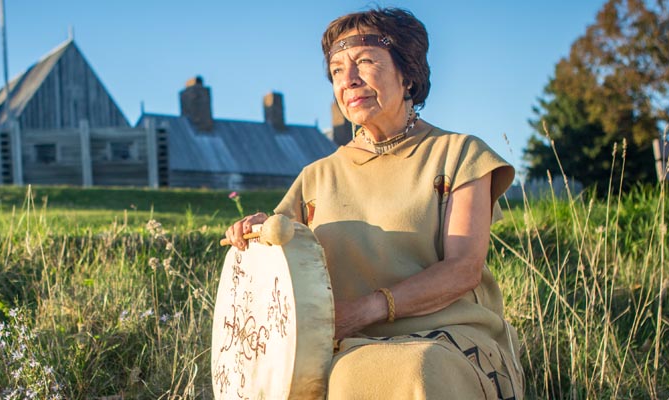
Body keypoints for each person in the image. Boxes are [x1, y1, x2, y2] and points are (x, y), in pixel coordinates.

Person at [223, 7, 523, 399]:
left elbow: (463, 270)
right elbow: (277, 276)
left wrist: (365, 311)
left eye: (364, 62)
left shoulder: (460, 154)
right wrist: (255, 235)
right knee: (346, 372)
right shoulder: (316, 177)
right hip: (343, 345)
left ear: (408, 73)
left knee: (397, 370)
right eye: (336, 71)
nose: (348, 80)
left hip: (450, 340)